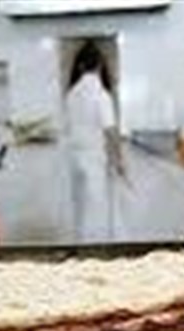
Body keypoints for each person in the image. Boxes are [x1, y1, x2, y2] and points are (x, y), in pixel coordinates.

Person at [64, 41, 127, 242]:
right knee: (97, 211)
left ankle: (83, 247)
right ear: (100, 66)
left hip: (74, 160)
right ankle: (96, 251)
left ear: (80, 66)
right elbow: (110, 132)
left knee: (80, 210)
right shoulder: (101, 95)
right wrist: (119, 161)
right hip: (94, 160)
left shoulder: (71, 94)